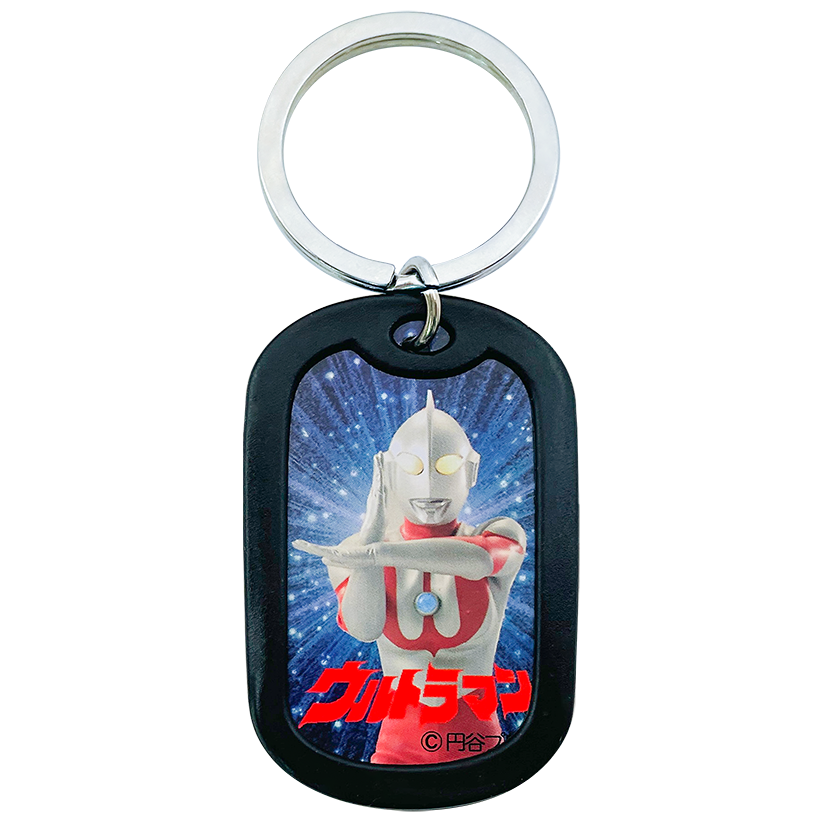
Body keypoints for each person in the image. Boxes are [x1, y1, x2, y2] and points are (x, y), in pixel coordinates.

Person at [294, 391, 525, 764]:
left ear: (471, 470)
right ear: (388, 471)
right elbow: (365, 627)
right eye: (411, 467)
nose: (430, 486)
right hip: (397, 746)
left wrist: (377, 554)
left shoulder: (499, 533)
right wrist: (371, 539)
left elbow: (480, 559)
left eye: (447, 466)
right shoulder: (352, 551)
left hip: (478, 745)